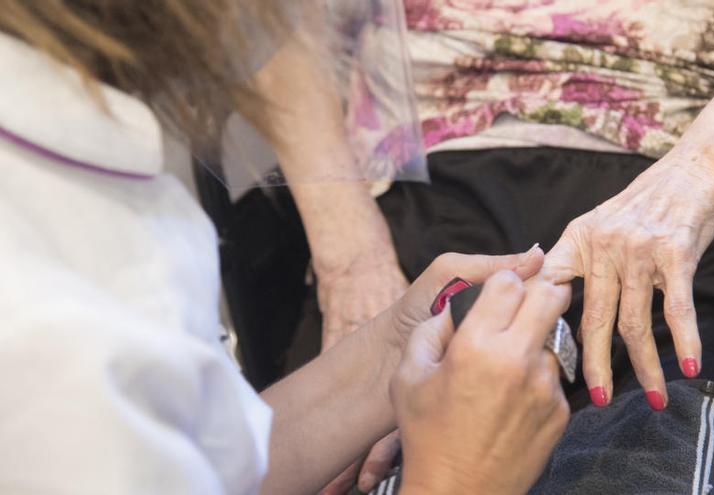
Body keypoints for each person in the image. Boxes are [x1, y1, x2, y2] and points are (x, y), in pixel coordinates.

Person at [272, 1, 714, 492]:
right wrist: (353, 262)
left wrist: (701, 173)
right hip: (417, 205)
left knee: (676, 461)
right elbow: (254, 22)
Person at [0, 2, 574, 494]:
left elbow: (214, 459)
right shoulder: (48, 333)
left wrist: (388, 353)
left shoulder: (86, 175)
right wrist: (457, 476)